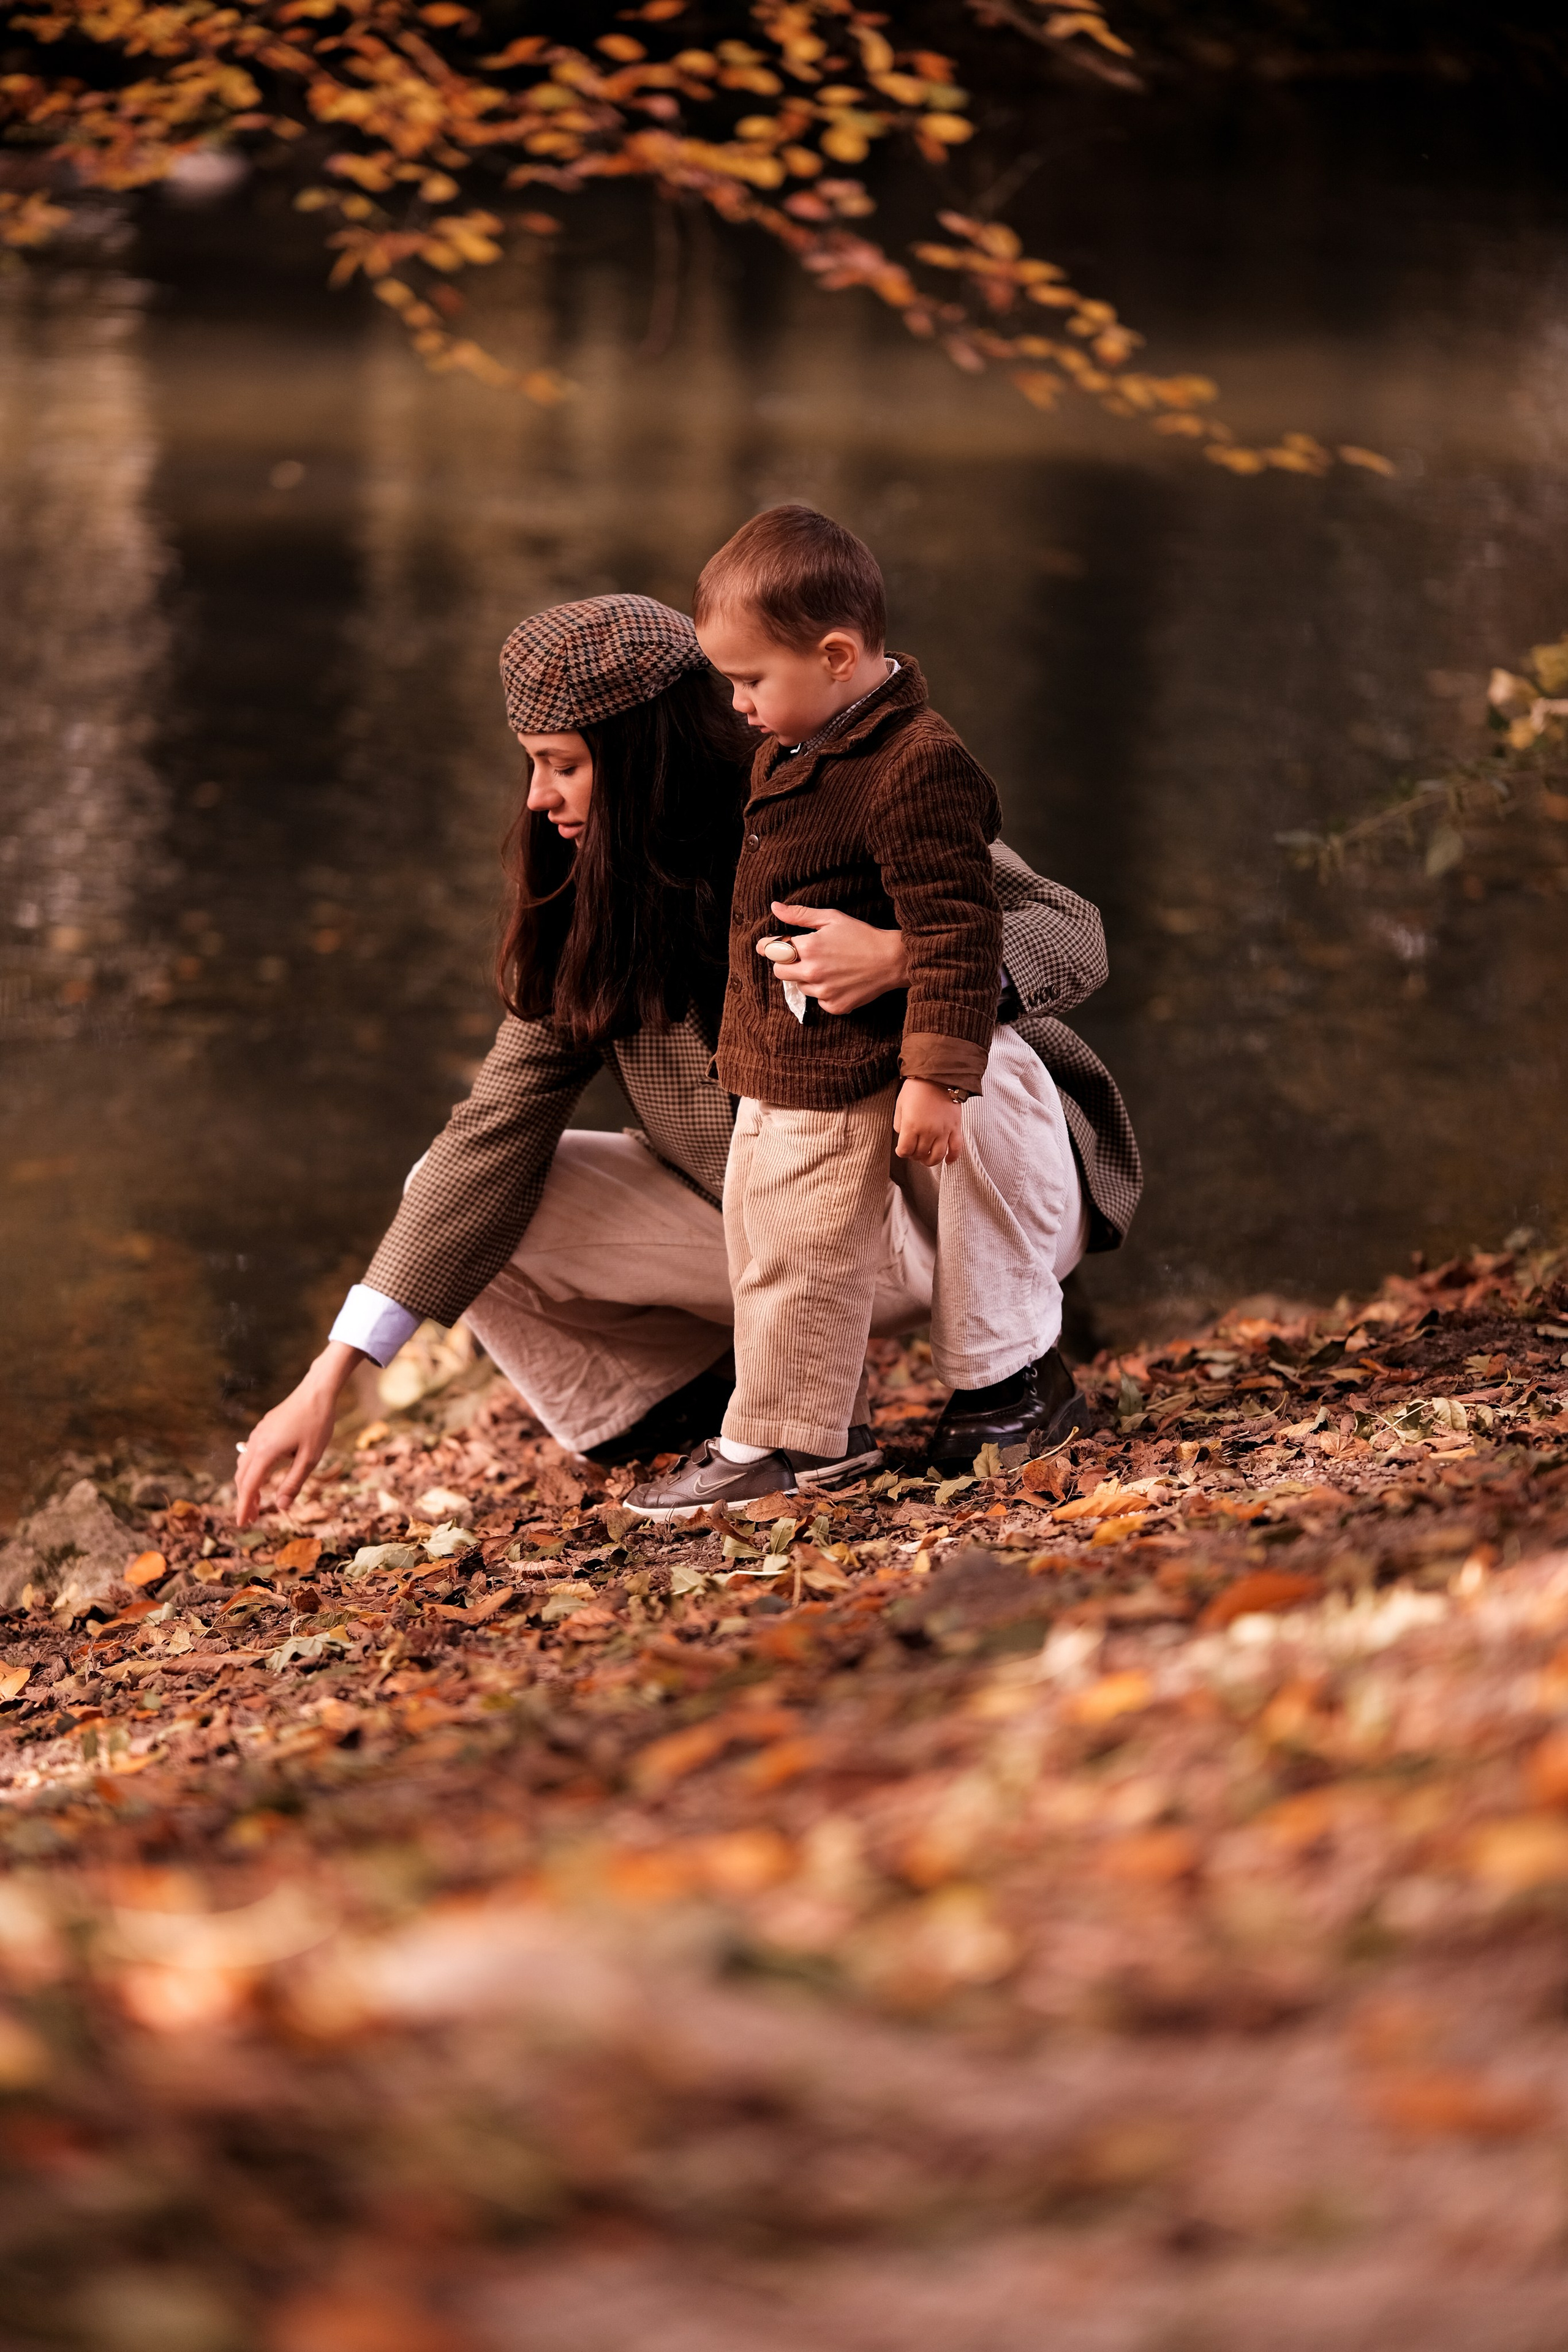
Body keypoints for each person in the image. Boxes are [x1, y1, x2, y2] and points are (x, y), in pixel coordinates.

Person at [232, 591, 1140, 1528]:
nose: (538, 798)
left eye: (563, 767)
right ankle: (734, 1417)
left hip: (962, 1201)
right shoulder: (596, 906)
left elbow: (1072, 931)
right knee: (457, 1192)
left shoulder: (845, 787)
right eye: (533, 765)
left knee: (971, 1036)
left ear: (645, 761)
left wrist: (901, 958)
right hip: (793, 1242)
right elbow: (490, 1132)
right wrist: (332, 1375)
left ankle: (1009, 1384)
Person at [625, 506, 1021, 1518]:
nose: (737, 704)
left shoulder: (916, 764)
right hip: (779, 1057)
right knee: (766, 1241)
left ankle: (777, 1446)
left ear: (838, 656)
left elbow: (961, 929)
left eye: (751, 680)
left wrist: (935, 1080)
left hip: (846, 1066)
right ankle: (827, 1431)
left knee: (801, 1254)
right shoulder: (801, 741)